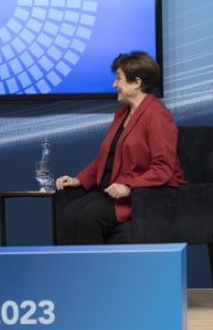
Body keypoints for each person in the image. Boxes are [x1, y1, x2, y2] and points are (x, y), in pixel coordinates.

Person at [54, 51, 186, 244]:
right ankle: (72, 273)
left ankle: (95, 274)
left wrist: (128, 187)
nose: (114, 85)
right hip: (111, 189)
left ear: (137, 83)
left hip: (143, 196)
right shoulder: (122, 114)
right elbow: (105, 157)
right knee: (70, 213)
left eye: (119, 79)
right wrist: (78, 180)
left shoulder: (158, 117)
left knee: (88, 216)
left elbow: (163, 168)